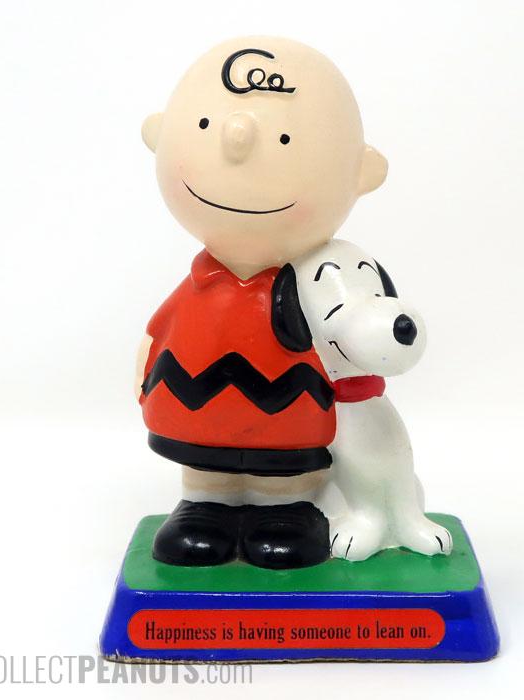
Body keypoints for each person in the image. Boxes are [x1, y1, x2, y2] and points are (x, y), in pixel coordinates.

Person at [136, 37, 387, 569]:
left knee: (286, 471)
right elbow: (159, 331)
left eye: (286, 139)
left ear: (360, 173)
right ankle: (205, 502)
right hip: (193, 408)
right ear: (161, 136)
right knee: (204, 470)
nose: (237, 145)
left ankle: (287, 506)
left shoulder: (322, 286)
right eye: (203, 126)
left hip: (293, 418)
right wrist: (144, 370)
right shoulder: (197, 287)